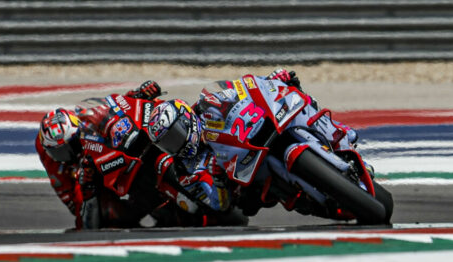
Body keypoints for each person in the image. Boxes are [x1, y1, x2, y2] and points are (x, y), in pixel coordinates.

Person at [147, 69, 361, 221]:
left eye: (174, 135)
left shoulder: (205, 107)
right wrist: (217, 180)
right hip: (248, 185)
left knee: (298, 97)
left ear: (186, 120)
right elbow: (217, 203)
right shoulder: (186, 167)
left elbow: (242, 89)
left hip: (254, 137)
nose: (174, 145)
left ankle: (339, 137)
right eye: (167, 143)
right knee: (258, 201)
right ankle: (309, 194)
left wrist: (272, 80)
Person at [36, 80, 191, 229]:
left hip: (115, 157)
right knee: (109, 213)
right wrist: (88, 190)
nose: (67, 154)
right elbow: (77, 207)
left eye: (70, 146)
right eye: (59, 152)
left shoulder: (84, 121)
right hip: (94, 187)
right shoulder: (55, 162)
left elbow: (110, 111)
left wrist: (134, 96)